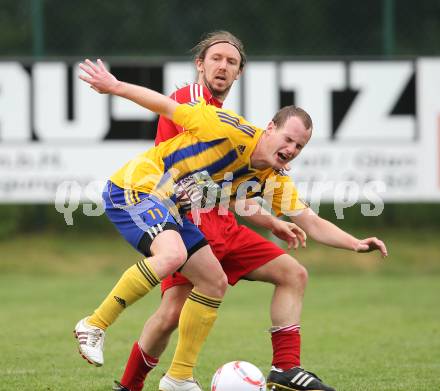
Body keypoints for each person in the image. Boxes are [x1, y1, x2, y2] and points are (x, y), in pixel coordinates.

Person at [76, 54, 388, 391]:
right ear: (270, 128)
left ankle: (179, 377)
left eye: (300, 146)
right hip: (136, 187)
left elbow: (309, 221)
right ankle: (94, 324)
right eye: (288, 139)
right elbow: (167, 107)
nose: (292, 149)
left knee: (213, 281)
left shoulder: (272, 175)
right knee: (171, 259)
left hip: (172, 208)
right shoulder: (225, 126)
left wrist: (354, 242)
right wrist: (114, 85)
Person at [112, 31, 333, 391]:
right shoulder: (192, 102)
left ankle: (287, 369)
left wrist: (271, 220)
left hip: (225, 226)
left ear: (239, 73)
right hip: (190, 225)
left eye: (231, 62)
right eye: (216, 58)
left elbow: (226, 190)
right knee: (170, 314)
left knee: (293, 274)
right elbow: (195, 180)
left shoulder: (229, 121)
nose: (223, 66)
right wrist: (116, 86)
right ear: (200, 64)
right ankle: (133, 384)